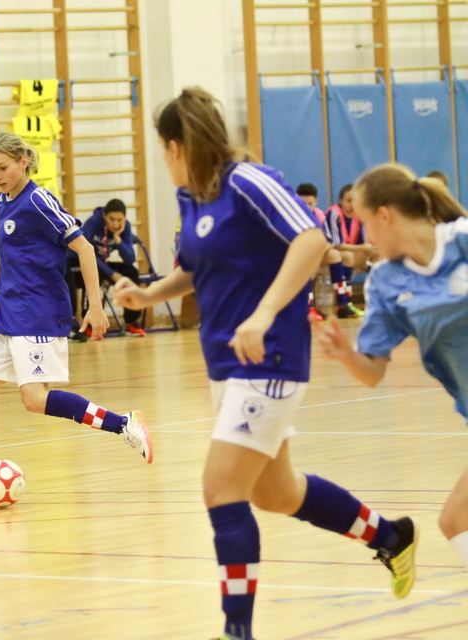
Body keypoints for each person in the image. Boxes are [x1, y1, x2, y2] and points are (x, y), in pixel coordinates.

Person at [112, 87, 417, 640]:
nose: (163, 162)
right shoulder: (194, 198)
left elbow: (311, 238)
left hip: (270, 357)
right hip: (225, 365)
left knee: (220, 489)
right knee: (276, 493)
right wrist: (149, 295)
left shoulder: (248, 181)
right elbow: (194, 271)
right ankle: (390, 537)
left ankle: (237, 630)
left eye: (163, 150)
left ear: (178, 147)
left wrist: (266, 311)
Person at [0, 132, 153, 506]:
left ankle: (125, 424)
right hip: (7, 312)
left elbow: (85, 248)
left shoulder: (39, 201)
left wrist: (95, 305)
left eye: (3, 168)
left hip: (38, 313)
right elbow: (9, 251)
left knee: (35, 399)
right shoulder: (2, 201)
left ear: (23, 161)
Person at [318, 163, 468, 573]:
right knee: (456, 521)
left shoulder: (461, 240)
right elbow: (372, 372)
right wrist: (346, 354)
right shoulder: (386, 282)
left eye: (366, 223)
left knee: (456, 519)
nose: (366, 238)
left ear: (385, 215)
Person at [66, 198, 147, 336]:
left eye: (119, 220)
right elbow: (88, 254)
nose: (116, 224)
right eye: (112, 219)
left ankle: (131, 321)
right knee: (94, 272)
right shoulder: (93, 222)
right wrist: (111, 274)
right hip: (77, 263)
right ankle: (90, 322)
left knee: (131, 272)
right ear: (104, 216)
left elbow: (130, 259)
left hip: (102, 264)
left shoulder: (124, 227)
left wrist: (117, 238)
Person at [295, 183, 362, 319]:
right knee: (310, 261)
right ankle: (309, 307)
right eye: (303, 204)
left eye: (310, 203)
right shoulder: (294, 215)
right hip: (298, 256)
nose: (307, 207)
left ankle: (344, 303)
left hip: (317, 252)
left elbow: (329, 241)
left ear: (316, 202)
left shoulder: (319, 214)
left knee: (336, 255)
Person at [326, 184, 379, 291]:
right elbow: (336, 245)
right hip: (330, 254)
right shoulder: (334, 214)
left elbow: (360, 243)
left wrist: (369, 247)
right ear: (341, 201)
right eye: (349, 200)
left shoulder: (357, 215)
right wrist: (362, 248)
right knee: (349, 256)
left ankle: (377, 292)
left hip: (350, 252)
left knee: (378, 253)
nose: (352, 204)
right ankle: (345, 296)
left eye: (355, 201)